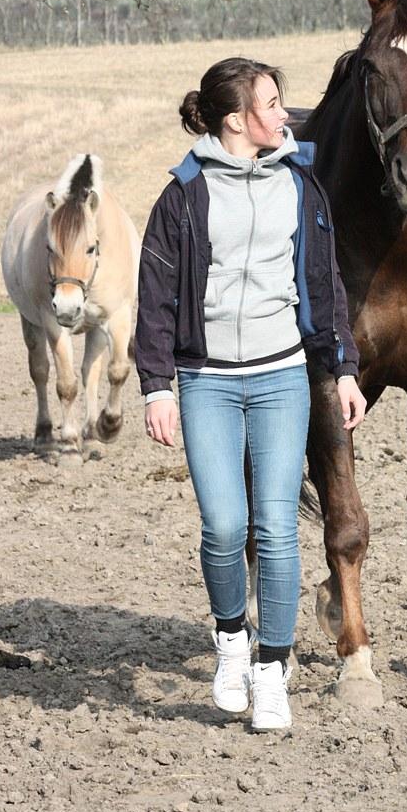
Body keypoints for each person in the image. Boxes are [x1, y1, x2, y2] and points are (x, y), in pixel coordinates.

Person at [135, 57, 366, 732]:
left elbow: (324, 285)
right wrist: (157, 387)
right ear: (237, 120)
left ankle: (271, 669)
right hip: (207, 382)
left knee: (277, 529)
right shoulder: (184, 194)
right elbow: (155, 298)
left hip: (281, 377)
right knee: (224, 528)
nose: (285, 114)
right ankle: (231, 639)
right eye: (272, 103)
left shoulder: (301, 183)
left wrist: (344, 367)